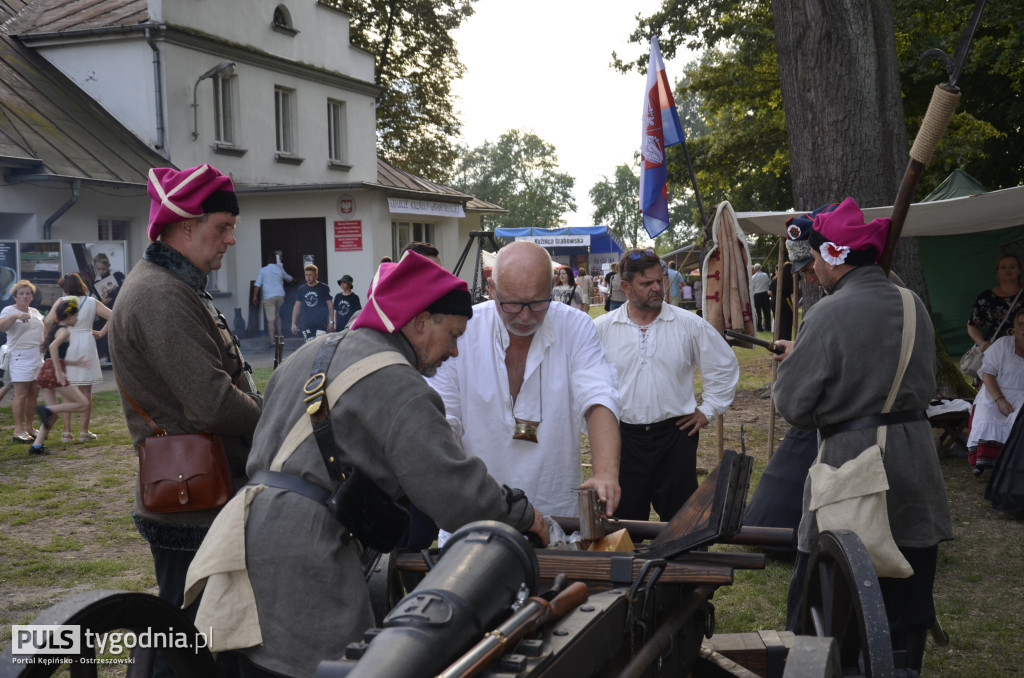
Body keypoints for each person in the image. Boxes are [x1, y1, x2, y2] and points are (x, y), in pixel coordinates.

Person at [183, 252, 548, 678]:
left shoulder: (309, 352)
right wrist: (525, 515)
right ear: (418, 322)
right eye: (451, 334)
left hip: (242, 538)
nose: (453, 351)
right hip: (307, 556)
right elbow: (456, 492)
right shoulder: (401, 384)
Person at [772, 197, 953, 672]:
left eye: (813, 261)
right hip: (915, 466)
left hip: (852, 467)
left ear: (834, 257)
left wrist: (795, 363)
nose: (811, 272)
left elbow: (793, 406)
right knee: (905, 602)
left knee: (824, 600)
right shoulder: (912, 304)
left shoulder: (828, 316)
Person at [109, 164, 262, 677]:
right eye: (221, 227)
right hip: (192, 503)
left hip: (199, 494)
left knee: (201, 635)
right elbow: (212, 404)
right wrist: (272, 416)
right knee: (188, 642)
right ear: (185, 226)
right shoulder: (160, 294)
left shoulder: (176, 286)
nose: (230, 240)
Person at [428, 240, 622, 524]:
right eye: (513, 304)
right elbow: (444, 418)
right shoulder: (462, 331)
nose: (526, 316)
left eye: (538, 302)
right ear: (492, 289)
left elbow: (598, 397)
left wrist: (605, 472)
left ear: (552, 287)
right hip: (477, 514)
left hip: (557, 512)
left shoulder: (576, 327)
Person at [595, 248, 738, 521]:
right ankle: (629, 565)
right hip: (623, 438)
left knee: (682, 523)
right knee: (622, 524)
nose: (656, 288)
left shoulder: (688, 324)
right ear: (625, 286)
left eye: (659, 281)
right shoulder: (602, 328)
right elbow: (583, 380)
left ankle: (682, 565)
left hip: (675, 436)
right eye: (646, 283)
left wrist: (708, 410)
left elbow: (723, 365)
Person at [48, 273, 111, 443]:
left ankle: (67, 432)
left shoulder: (63, 302)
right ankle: (84, 432)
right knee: (85, 390)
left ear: (66, 289)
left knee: (68, 388)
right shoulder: (91, 301)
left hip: (67, 342)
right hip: (87, 342)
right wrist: (101, 333)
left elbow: (48, 320)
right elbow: (113, 316)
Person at [966, 309, 1024, 475]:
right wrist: (1000, 400)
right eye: (1020, 324)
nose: (1023, 328)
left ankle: (1014, 465)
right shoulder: (1004, 344)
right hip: (994, 392)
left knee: (1018, 420)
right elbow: (987, 374)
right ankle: (985, 461)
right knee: (988, 418)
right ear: (1015, 326)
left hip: (1022, 395)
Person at [31, 298, 90, 455]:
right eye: (76, 315)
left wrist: (74, 363)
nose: (77, 319)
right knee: (83, 404)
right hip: (53, 373)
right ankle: (46, 408)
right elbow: (52, 347)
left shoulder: (55, 329)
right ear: (69, 316)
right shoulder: (64, 331)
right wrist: (58, 370)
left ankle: (36, 446)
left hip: (45, 372)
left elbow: (52, 354)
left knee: (53, 415)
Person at [0, 280, 44, 442]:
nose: (25, 297)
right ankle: (18, 430)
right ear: (15, 296)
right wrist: (15, 316)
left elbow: (43, 327)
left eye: (28, 294)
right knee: (21, 394)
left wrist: (44, 342)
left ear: (32, 296)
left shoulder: (35, 311)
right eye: (22, 294)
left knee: (33, 394)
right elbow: (2, 327)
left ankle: (29, 427)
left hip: (36, 357)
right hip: (19, 356)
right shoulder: (8, 310)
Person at [967, 252, 1024, 357]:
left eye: (1012, 267)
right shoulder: (986, 297)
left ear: (1019, 270)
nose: (1008, 270)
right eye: (1003, 267)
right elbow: (972, 325)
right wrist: (982, 343)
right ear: (997, 271)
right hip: (996, 352)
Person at [253, 255, 293, 345]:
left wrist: (254, 296)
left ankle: (272, 341)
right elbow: (289, 278)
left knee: (270, 320)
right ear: (275, 261)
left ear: (267, 261)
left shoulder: (263, 270)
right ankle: (279, 336)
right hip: (280, 296)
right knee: (277, 315)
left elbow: (257, 284)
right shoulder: (279, 270)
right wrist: (295, 280)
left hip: (269, 297)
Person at [291, 264, 334, 338]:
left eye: (310, 275)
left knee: (320, 346)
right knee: (309, 346)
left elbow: (330, 306)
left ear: (316, 275)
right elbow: (296, 307)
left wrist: (331, 322)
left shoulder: (324, 287)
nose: (308, 277)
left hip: (321, 323)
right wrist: (293, 324)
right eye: (306, 275)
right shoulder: (301, 289)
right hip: (306, 323)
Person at [750, 263, 771, 331]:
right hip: (765, 294)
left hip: (757, 295)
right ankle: (768, 327)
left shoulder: (753, 277)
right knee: (766, 312)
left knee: (758, 312)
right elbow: (768, 283)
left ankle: (759, 327)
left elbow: (752, 288)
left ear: (755, 269)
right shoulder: (765, 275)